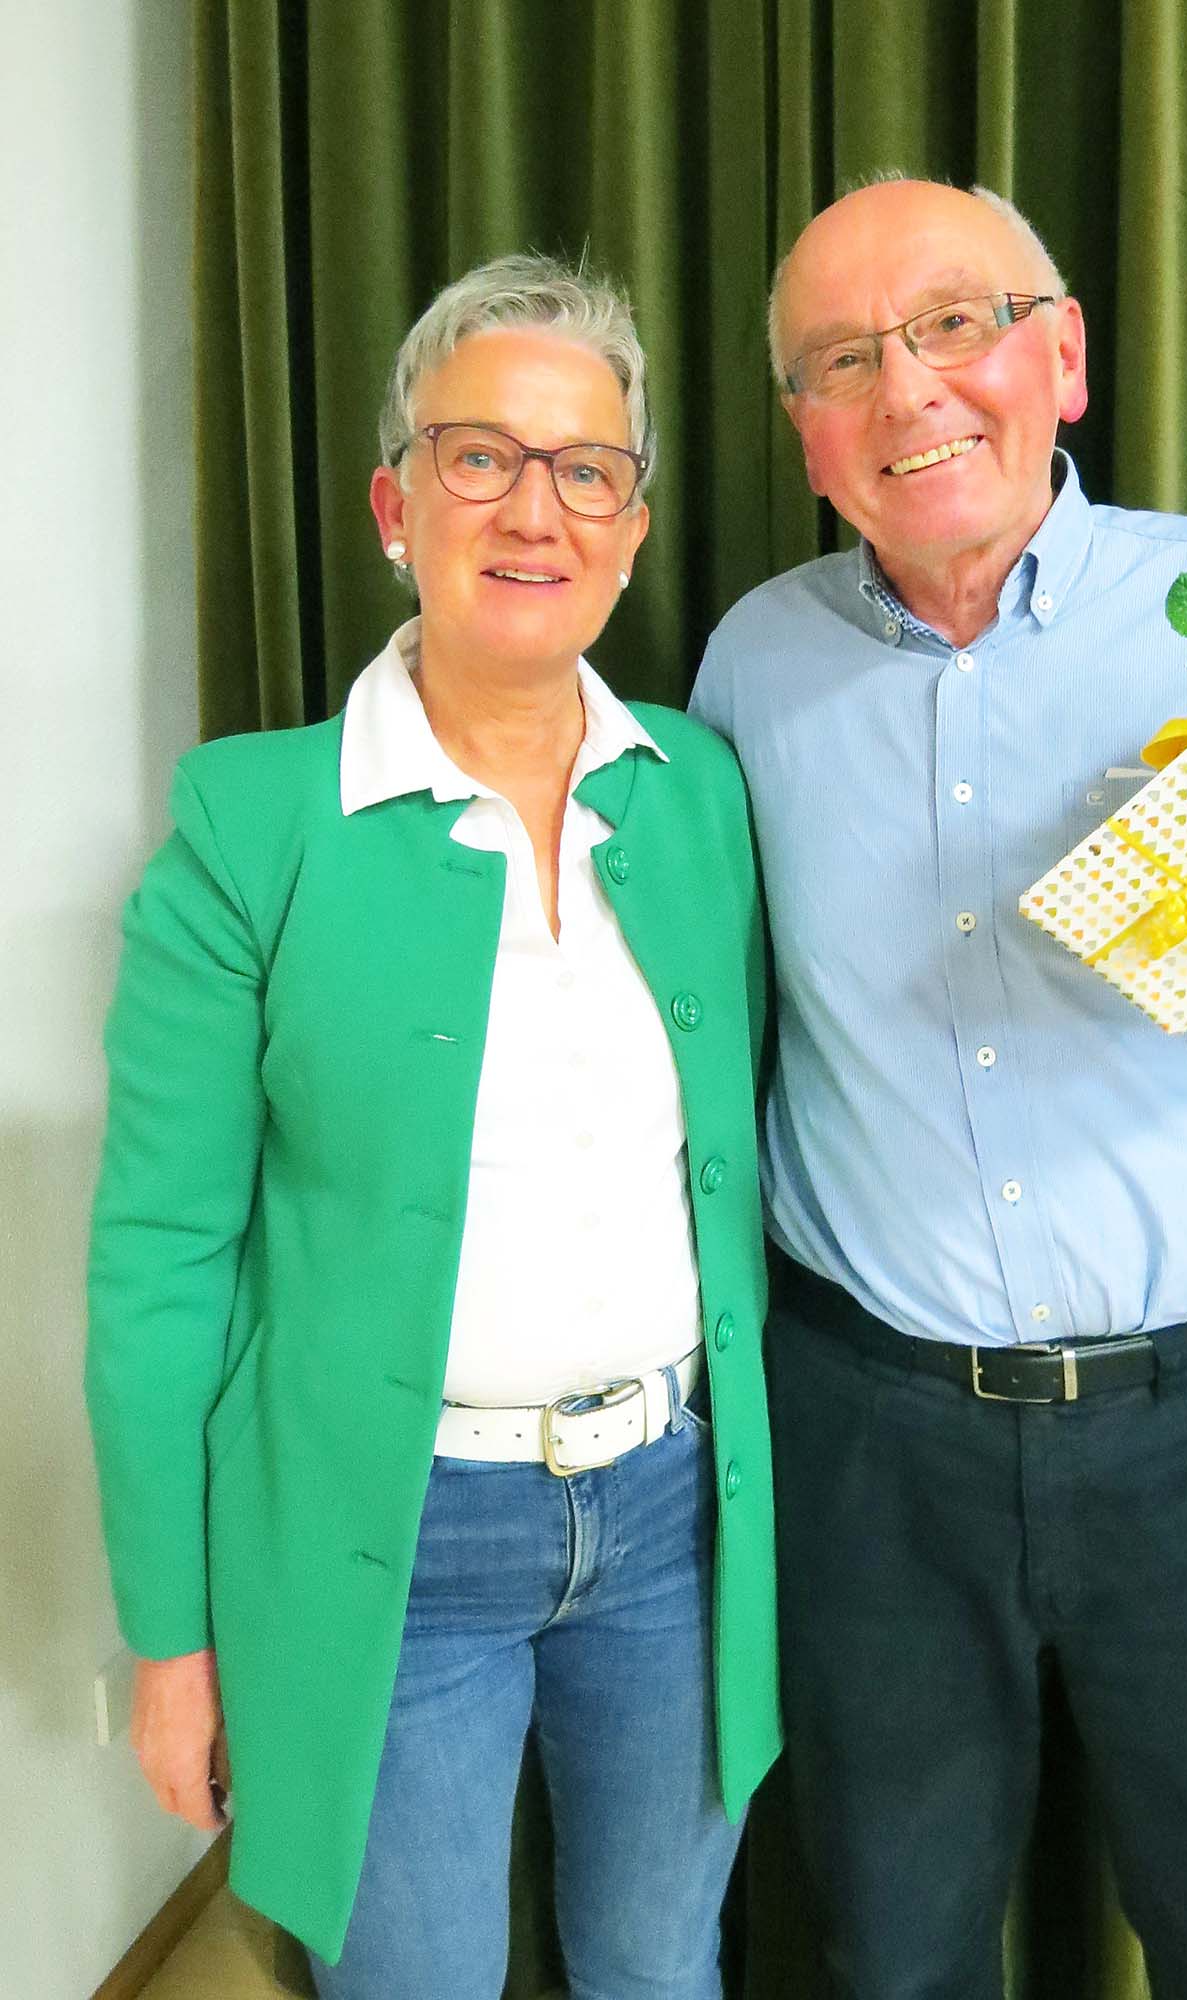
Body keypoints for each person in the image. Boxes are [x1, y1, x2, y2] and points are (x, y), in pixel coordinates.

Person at [690, 178, 1187, 2000]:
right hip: (870, 1451)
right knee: (893, 1960)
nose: (907, 391)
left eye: (954, 325)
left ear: (1065, 358)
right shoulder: (745, 665)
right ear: (804, 434)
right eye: (841, 361)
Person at [87, 252, 780, 2000]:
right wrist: (172, 1641)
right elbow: (160, 1263)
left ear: (630, 530)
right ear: (396, 506)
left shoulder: (697, 789)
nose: (534, 510)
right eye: (481, 457)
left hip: (673, 1517)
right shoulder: (253, 824)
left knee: (657, 1968)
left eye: (585, 470)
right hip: (387, 1542)